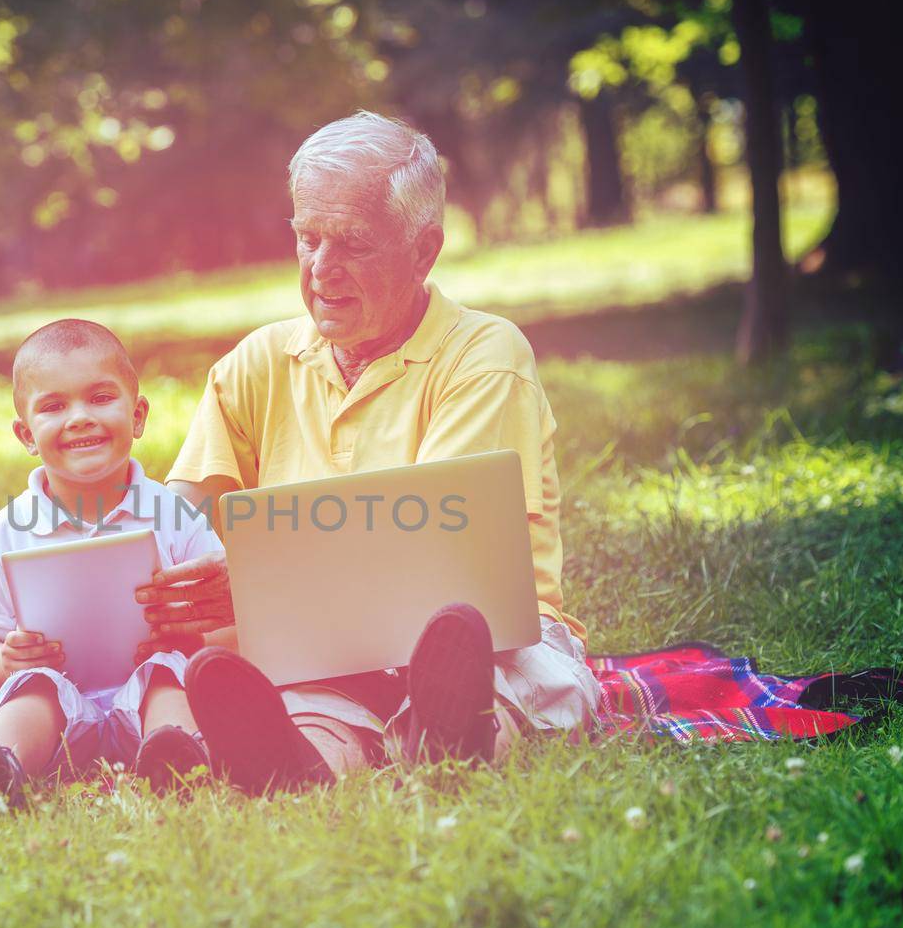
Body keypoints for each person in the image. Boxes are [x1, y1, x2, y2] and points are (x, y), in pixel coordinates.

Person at [131, 110, 602, 788]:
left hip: (480, 636)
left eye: (352, 243)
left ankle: (460, 736)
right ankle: (300, 765)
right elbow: (173, 528)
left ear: (424, 249)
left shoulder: (483, 356)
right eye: (308, 237)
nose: (322, 268)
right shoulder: (258, 362)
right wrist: (4, 631)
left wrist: (264, 585)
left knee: (508, 683)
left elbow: (436, 548)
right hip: (320, 647)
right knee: (312, 707)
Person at [0, 319, 225, 806]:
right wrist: (5, 661)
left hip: (149, 693)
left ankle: (177, 761)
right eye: (54, 406)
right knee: (34, 690)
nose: (79, 418)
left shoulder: (174, 517)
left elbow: (224, 614)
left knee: (167, 676)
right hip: (57, 706)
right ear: (26, 434)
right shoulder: (2, 535)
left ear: (137, 416)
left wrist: (191, 638)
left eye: (99, 398)